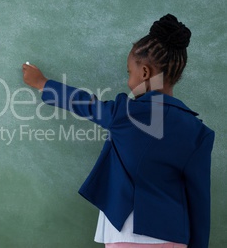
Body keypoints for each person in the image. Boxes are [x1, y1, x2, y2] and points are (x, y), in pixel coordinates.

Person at [22, 14, 215, 248]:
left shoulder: (125, 114)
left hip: (126, 233)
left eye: (128, 73)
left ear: (144, 73)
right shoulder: (199, 133)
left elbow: (84, 104)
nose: (128, 80)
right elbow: (200, 202)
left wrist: (43, 83)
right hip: (174, 236)